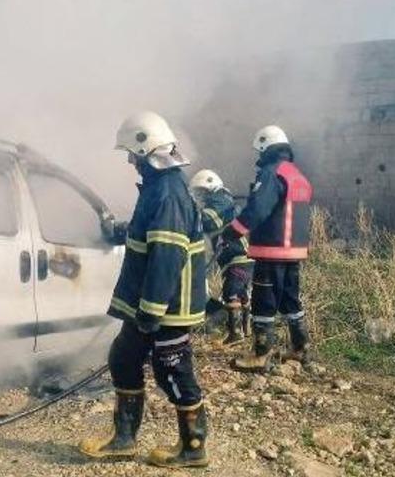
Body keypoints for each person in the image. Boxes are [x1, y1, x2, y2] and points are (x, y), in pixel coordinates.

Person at [80, 111, 209, 468]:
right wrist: (119, 230)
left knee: (173, 370)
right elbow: (147, 236)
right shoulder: (157, 188)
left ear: (145, 149)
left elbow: (166, 256)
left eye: (131, 154)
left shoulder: (167, 194)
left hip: (166, 307)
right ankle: (123, 439)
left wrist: (151, 312)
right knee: (123, 358)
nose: (129, 161)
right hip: (147, 305)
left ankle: (193, 447)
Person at [221, 125, 314, 372]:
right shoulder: (296, 173)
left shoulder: (271, 173)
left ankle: (261, 355)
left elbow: (259, 207)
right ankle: (300, 347)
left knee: (264, 301)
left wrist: (234, 230)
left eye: (259, 151)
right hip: (294, 253)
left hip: (271, 250)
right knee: (290, 300)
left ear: (265, 148)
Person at [189, 169, 253, 345]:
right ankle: (247, 330)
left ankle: (236, 334)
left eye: (202, 192)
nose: (200, 196)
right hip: (236, 260)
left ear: (211, 186)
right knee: (241, 293)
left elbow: (209, 221)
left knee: (231, 293)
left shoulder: (221, 200)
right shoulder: (222, 200)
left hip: (239, 258)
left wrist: (189, 212)